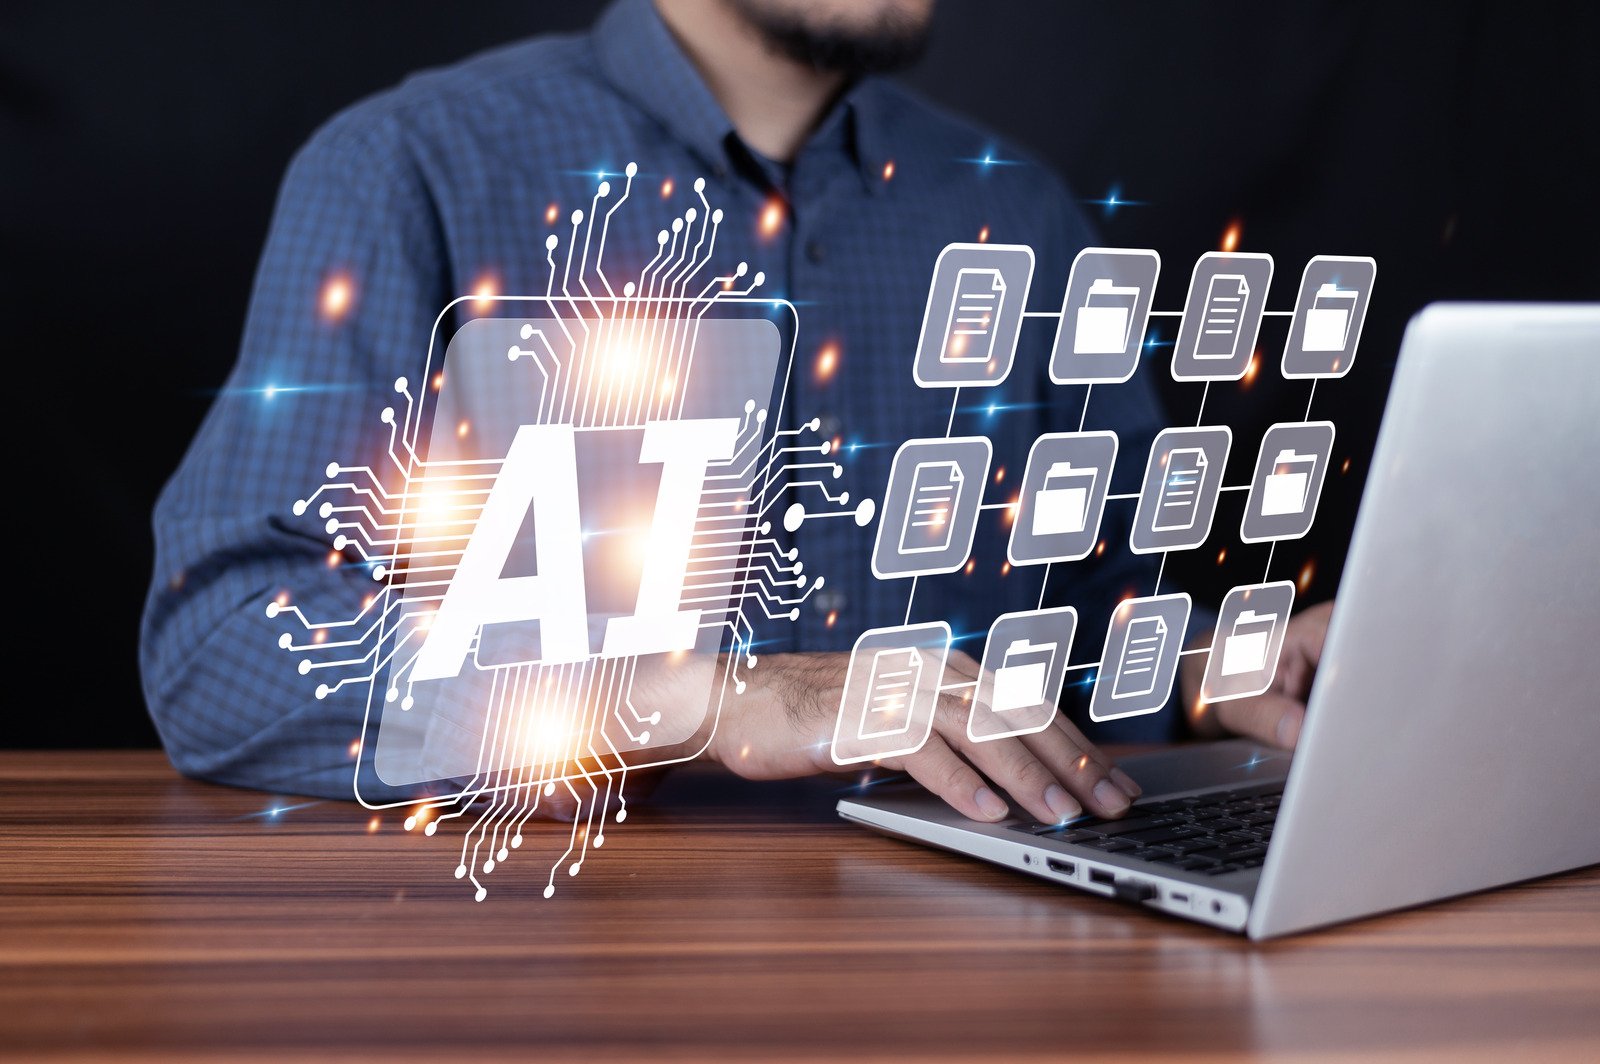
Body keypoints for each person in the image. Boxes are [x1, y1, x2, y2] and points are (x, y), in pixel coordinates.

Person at [141, 0, 1329, 824]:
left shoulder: (1016, 213)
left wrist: (1216, 667)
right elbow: (222, 650)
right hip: (554, 969)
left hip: (967, 955)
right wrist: (708, 697)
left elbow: (1090, 606)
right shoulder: (410, 166)